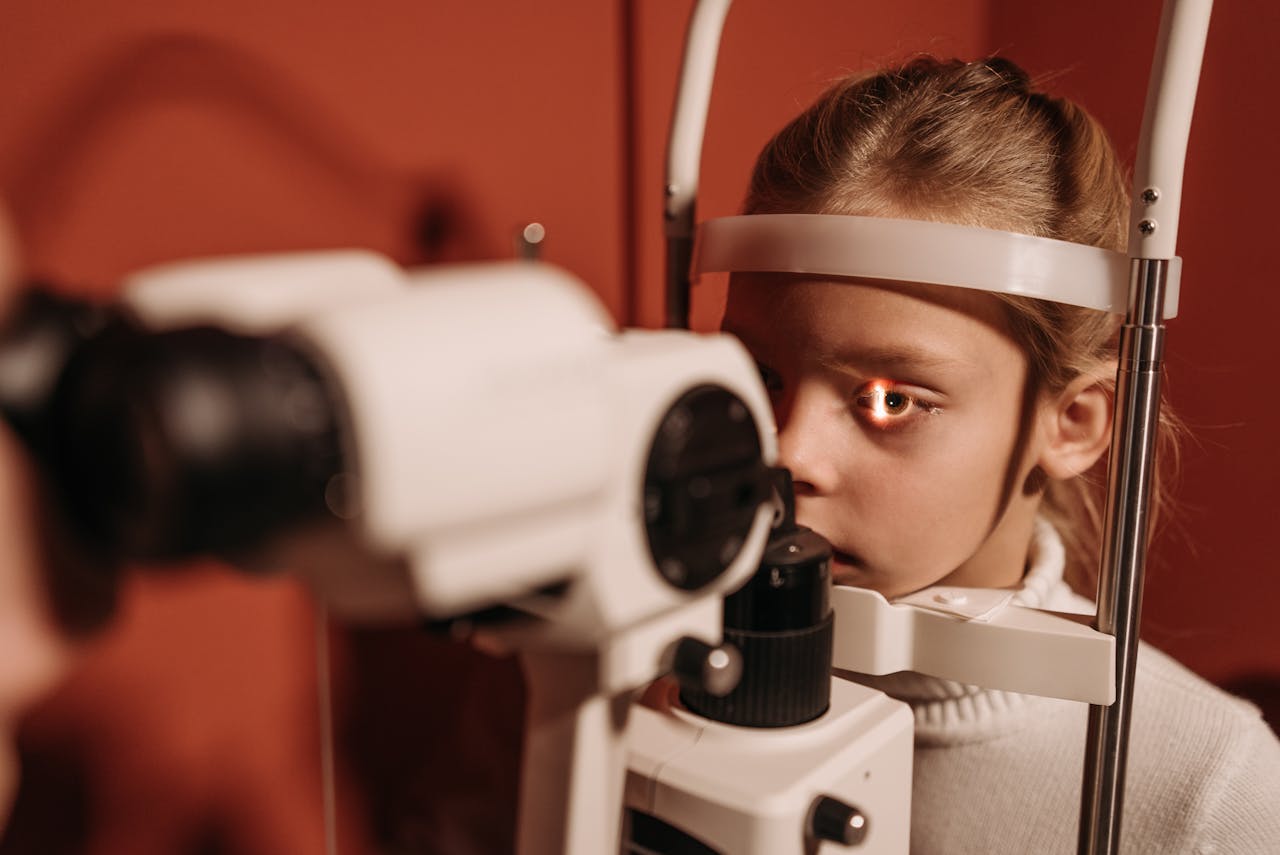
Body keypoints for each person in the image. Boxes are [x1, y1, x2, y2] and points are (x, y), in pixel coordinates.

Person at [718, 56, 1280, 854]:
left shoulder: (1208, 792)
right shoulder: (652, 660)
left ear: (1074, 423)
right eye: (760, 376)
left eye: (890, 399)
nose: (787, 450)